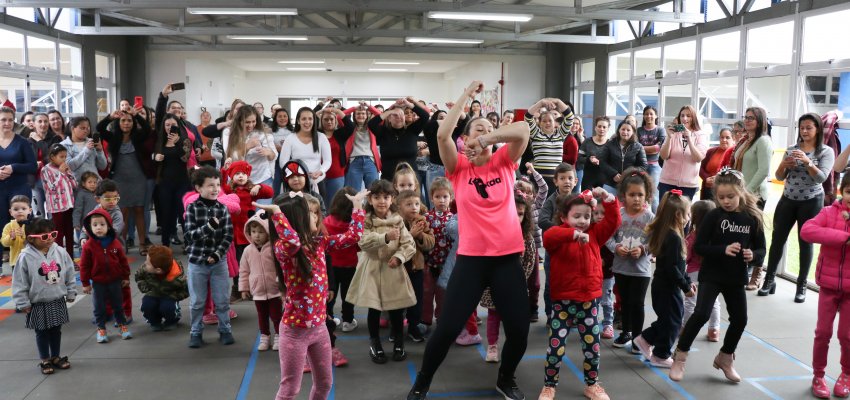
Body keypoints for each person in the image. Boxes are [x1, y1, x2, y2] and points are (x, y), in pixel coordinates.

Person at [408, 81, 531, 400]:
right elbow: (441, 135)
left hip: (507, 259)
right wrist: (466, 97)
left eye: (491, 128)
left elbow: (521, 130)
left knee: (519, 329)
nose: (487, 131)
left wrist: (487, 135)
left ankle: (506, 377)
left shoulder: (505, 162)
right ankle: (422, 381)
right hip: (472, 261)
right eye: (478, 128)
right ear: (465, 139)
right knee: (447, 329)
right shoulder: (458, 168)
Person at [254, 187, 367, 400]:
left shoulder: (320, 243)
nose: (317, 216)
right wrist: (277, 213)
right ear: (295, 219)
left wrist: (358, 205)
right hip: (294, 333)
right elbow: (293, 243)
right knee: (290, 389)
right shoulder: (283, 248)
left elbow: (354, 236)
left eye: (316, 212)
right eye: (310, 212)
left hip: (319, 328)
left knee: (325, 384)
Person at [669, 168, 766, 383]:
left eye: (730, 196)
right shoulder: (714, 215)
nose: (726, 201)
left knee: (740, 319)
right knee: (701, 313)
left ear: (741, 191)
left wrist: (753, 255)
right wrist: (722, 249)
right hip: (712, 274)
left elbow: (761, 250)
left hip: (736, 277)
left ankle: (725, 357)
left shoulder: (752, 217)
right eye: (721, 197)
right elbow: (700, 247)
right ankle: (680, 356)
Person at [538, 187, 620, 400]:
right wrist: (572, 234)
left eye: (586, 216)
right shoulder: (560, 236)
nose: (583, 221)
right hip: (562, 304)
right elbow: (548, 236)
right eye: (576, 216)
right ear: (564, 217)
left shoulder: (594, 234)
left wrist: (608, 199)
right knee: (555, 349)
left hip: (589, 302)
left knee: (592, 347)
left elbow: (613, 222)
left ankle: (592, 385)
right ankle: (549, 386)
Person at [759, 113, 834, 302]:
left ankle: (801, 286)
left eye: (809, 127)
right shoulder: (791, 149)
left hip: (811, 201)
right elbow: (779, 176)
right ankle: (769, 280)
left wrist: (808, 162)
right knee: (777, 239)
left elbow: (821, 178)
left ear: (817, 129)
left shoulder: (825, 151)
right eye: (802, 128)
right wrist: (784, 164)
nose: (805, 131)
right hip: (788, 199)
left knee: (805, 243)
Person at [346, 180, 417, 364]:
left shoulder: (398, 220)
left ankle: (399, 343)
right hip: (372, 268)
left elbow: (409, 244)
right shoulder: (366, 219)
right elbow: (362, 241)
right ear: (369, 199)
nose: (381, 201)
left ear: (392, 198)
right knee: (374, 309)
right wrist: (385, 236)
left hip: (393, 269)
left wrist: (400, 257)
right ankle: (374, 342)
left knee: (396, 310)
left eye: (386, 197)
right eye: (376, 197)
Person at [799, 173, 850, 399]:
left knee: (847, 335)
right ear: (842, 191)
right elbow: (807, 231)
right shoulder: (828, 212)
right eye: (849, 191)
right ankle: (818, 375)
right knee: (823, 333)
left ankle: (847, 374)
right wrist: (842, 237)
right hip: (828, 286)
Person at [633, 191, 694, 368]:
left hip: (665, 286)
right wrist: (685, 286)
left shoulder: (670, 233)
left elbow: (679, 266)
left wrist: (687, 281)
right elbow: (672, 268)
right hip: (667, 288)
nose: (689, 217)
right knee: (673, 321)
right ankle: (660, 354)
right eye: (687, 213)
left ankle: (645, 339)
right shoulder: (673, 237)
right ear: (678, 215)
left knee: (669, 319)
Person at [11, 218, 77, 375]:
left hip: (57, 299)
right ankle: (45, 359)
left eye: (53, 234)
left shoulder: (60, 251)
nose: (50, 239)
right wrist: (22, 302)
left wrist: (71, 290)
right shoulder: (25, 257)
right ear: (31, 238)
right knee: (41, 332)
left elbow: (69, 272)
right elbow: (19, 281)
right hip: (38, 302)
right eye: (44, 237)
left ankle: (56, 356)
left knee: (56, 330)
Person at [183, 166, 235, 348]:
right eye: (210, 185)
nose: (215, 189)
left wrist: (217, 254)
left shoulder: (222, 209)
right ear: (198, 188)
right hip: (197, 262)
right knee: (197, 301)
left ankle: (225, 330)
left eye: (218, 185)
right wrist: (209, 228)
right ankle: (196, 332)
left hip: (218, 262)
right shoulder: (192, 208)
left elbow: (228, 235)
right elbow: (189, 235)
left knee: (221, 300)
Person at [483, 192, 535, 363]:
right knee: (493, 316)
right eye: (513, 212)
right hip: (494, 284)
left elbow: (529, 261)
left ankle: (511, 347)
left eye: (520, 214)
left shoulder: (526, 237)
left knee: (512, 318)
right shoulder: (493, 233)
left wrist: (519, 279)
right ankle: (492, 345)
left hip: (515, 285)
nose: (516, 217)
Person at [607, 169, 654, 351]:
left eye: (640, 195)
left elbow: (655, 241)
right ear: (623, 196)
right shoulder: (618, 215)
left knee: (637, 303)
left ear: (647, 196)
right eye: (632, 194)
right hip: (621, 268)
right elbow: (608, 237)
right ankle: (626, 332)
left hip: (641, 270)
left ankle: (637, 337)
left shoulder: (649, 217)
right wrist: (616, 248)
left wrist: (643, 249)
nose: (636, 198)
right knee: (625, 302)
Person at [96, 108, 153, 254]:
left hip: (138, 178)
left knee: (139, 209)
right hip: (119, 180)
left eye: (129, 121)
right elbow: (99, 128)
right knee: (123, 211)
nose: (126, 123)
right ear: (118, 122)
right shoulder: (113, 137)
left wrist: (136, 115)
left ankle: (142, 244)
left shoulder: (138, 137)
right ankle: (121, 244)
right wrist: (110, 117)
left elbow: (147, 128)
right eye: (123, 120)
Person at [222, 160, 274, 302]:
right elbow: (219, 186)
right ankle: (238, 288)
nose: (240, 176)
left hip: (249, 233)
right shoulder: (228, 190)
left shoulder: (251, 190)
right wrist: (224, 170)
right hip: (233, 233)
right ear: (232, 176)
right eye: (237, 173)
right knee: (237, 262)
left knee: (251, 261)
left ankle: (252, 287)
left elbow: (270, 192)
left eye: (243, 174)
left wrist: (259, 186)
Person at [79, 209, 132, 343]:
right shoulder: (88, 246)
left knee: (118, 304)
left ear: (109, 226)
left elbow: (123, 261)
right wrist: (85, 283)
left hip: (115, 281)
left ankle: (122, 325)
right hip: (98, 282)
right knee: (99, 307)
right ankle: (101, 328)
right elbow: (84, 266)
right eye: (95, 225)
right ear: (89, 228)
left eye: (102, 224)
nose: (99, 228)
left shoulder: (115, 244)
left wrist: (125, 277)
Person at [538, 163, 577, 321]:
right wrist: (563, 231)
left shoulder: (579, 199)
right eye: (562, 178)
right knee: (552, 283)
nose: (567, 181)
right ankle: (550, 314)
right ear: (555, 181)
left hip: (574, 250)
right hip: (554, 251)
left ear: (575, 181)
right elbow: (542, 220)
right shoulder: (551, 201)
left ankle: (572, 313)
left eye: (570, 178)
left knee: (573, 281)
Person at [238, 210, 281, 351]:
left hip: (274, 290)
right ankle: (265, 336)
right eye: (253, 231)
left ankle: (279, 336)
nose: (256, 235)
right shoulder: (247, 251)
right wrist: (244, 288)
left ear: (268, 232)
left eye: (261, 232)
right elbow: (244, 271)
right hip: (258, 291)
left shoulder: (274, 249)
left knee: (276, 315)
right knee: (262, 316)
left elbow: (281, 267)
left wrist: (281, 283)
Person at [0, 106, 38, 264]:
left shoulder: (22, 142)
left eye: (10, 119)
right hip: (0, 189)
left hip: (19, 189)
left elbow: (32, 166)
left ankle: (28, 261)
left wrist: (13, 167)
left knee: (23, 225)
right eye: (3, 120)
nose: (7, 123)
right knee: (1, 224)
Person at [398, 189, 435, 342]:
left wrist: (420, 236)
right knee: (399, 302)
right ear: (399, 207)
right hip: (400, 270)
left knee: (417, 301)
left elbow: (430, 243)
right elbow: (394, 244)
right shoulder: (395, 222)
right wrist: (410, 235)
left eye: (416, 204)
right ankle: (397, 329)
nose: (414, 207)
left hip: (417, 269)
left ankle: (414, 327)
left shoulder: (422, 221)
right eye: (409, 204)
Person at [682, 200, 722, 342]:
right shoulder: (719, 236)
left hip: (694, 273)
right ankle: (714, 330)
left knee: (690, 301)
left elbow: (686, 258)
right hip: (713, 274)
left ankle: (685, 328)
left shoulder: (693, 237)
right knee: (714, 302)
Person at [516, 163, 548, 321]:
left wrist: (534, 171)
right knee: (516, 280)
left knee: (534, 283)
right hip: (515, 250)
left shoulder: (536, 206)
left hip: (533, 249)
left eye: (529, 192)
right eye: (523, 191)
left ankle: (533, 307)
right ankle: (515, 306)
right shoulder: (514, 209)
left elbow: (544, 188)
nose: (526, 195)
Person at [368, 97, 429, 181]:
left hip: (411, 179)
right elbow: (371, 124)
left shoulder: (412, 130)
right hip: (389, 179)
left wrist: (409, 104)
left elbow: (425, 116)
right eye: (395, 115)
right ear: (389, 118)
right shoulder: (383, 132)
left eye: (401, 114)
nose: (399, 117)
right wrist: (390, 110)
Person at [325, 187, 360, 332]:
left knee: (330, 294)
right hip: (349, 265)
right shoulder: (353, 226)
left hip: (331, 266)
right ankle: (348, 320)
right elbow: (359, 245)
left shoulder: (326, 222)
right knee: (348, 296)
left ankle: (329, 317)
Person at [524, 97, 574, 196]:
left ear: (554, 122)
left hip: (556, 180)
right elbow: (528, 116)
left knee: (555, 207)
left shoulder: (560, 134)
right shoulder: (535, 134)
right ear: (539, 123)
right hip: (538, 179)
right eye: (544, 121)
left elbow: (570, 117)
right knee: (538, 207)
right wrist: (541, 103)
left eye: (550, 121)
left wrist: (558, 101)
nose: (547, 123)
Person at [422, 178, 453, 328]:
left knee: (443, 295)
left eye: (445, 196)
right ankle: (425, 320)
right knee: (427, 293)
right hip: (429, 263)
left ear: (451, 198)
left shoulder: (454, 219)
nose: (441, 200)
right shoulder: (426, 218)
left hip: (446, 266)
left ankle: (441, 318)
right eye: (438, 197)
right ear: (431, 198)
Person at [135, 245, 188, 331]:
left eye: (148, 263)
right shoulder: (145, 269)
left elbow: (185, 290)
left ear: (158, 270)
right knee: (147, 305)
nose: (145, 263)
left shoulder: (177, 277)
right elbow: (138, 277)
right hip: (152, 292)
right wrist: (144, 287)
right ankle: (154, 321)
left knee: (168, 307)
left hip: (169, 295)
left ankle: (171, 321)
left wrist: (175, 296)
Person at [279, 107, 331, 194]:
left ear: (314, 120)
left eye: (310, 119)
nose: (307, 122)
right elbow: (283, 162)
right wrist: (295, 174)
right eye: (303, 119)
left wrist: (321, 171)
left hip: (317, 182)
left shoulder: (321, 137)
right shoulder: (290, 138)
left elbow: (328, 161)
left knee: (318, 207)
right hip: (296, 184)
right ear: (298, 121)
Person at [658, 105, 706, 200]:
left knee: (683, 214)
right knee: (665, 213)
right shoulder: (674, 133)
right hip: (667, 182)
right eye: (682, 115)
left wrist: (690, 139)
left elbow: (698, 158)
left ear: (694, 118)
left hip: (688, 184)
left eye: (688, 116)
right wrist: (669, 138)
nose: (684, 118)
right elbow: (664, 156)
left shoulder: (700, 135)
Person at [40, 144, 76, 258]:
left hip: (69, 206)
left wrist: (68, 174)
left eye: (65, 156)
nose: (64, 159)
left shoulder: (66, 168)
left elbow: (75, 185)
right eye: (61, 157)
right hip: (57, 208)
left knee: (69, 233)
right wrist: (61, 173)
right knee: (58, 234)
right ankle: (59, 258)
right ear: (52, 157)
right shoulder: (45, 170)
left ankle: (70, 257)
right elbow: (52, 188)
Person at [599, 119, 647, 194]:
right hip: (610, 183)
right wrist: (613, 174)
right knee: (608, 205)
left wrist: (627, 174)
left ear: (633, 132)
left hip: (630, 184)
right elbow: (602, 162)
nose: (625, 132)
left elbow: (643, 167)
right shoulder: (609, 144)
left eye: (628, 130)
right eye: (623, 129)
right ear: (619, 130)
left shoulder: (638, 147)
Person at [61, 116, 107, 182]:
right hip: (77, 185)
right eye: (82, 128)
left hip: (95, 183)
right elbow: (69, 167)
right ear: (73, 128)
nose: (86, 131)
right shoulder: (64, 145)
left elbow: (102, 167)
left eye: (87, 128)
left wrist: (100, 151)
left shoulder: (91, 142)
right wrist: (86, 151)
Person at [637, 106, 665, 211]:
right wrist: (652, 148)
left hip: (655, 165)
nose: (649, 116)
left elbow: (658, 148)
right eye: (646, 114)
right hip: (640, 166)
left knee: (654, 197)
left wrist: (642, 148)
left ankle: (655, 223)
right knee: (640, 194)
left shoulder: (660, 130)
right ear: (643, 116)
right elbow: (635, 147)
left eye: (651, 114)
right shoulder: (638, 130)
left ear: (656, 116)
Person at [699, 128, 735, 200]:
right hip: (708, 189)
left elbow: (734, 171)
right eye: (722, 137)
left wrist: (718, 179)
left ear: (733, 139)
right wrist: (706, 178)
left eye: (727, 137)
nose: (724, 140)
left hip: (725, 192)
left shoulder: (735, 154)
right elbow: (700, 168)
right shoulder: (710, 151)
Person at [1, 195, 31, 275]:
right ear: (11, 212)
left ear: (29, 210)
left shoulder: (32, 225)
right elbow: (4, 242)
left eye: (23, 209)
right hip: (16, 261)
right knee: (18, 283)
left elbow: (36, 242)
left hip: (31, 260)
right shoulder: (9, 226)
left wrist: (24, 236)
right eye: (16, 209)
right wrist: (11, 238)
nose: (20, 211)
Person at [578, 116, 610, 190]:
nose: (601, 129)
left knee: (602, 201)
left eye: (604, 127)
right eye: (599, 126)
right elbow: (579, 158)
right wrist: (589, 159)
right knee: (585, 201)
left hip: (604, 179)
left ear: (608, 129)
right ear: (595, 127)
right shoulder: (587, 142)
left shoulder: (610, 144)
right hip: (588, 178)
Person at [72, 172, 99, 243]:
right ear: (83, 184)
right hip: (84, 224)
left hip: (96, 223)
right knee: (83, 242)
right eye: (90, 182)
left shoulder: (98, 194)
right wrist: (76, 223)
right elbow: (77, 210)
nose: (93, 184)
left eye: (95, 182)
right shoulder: (81, 194)